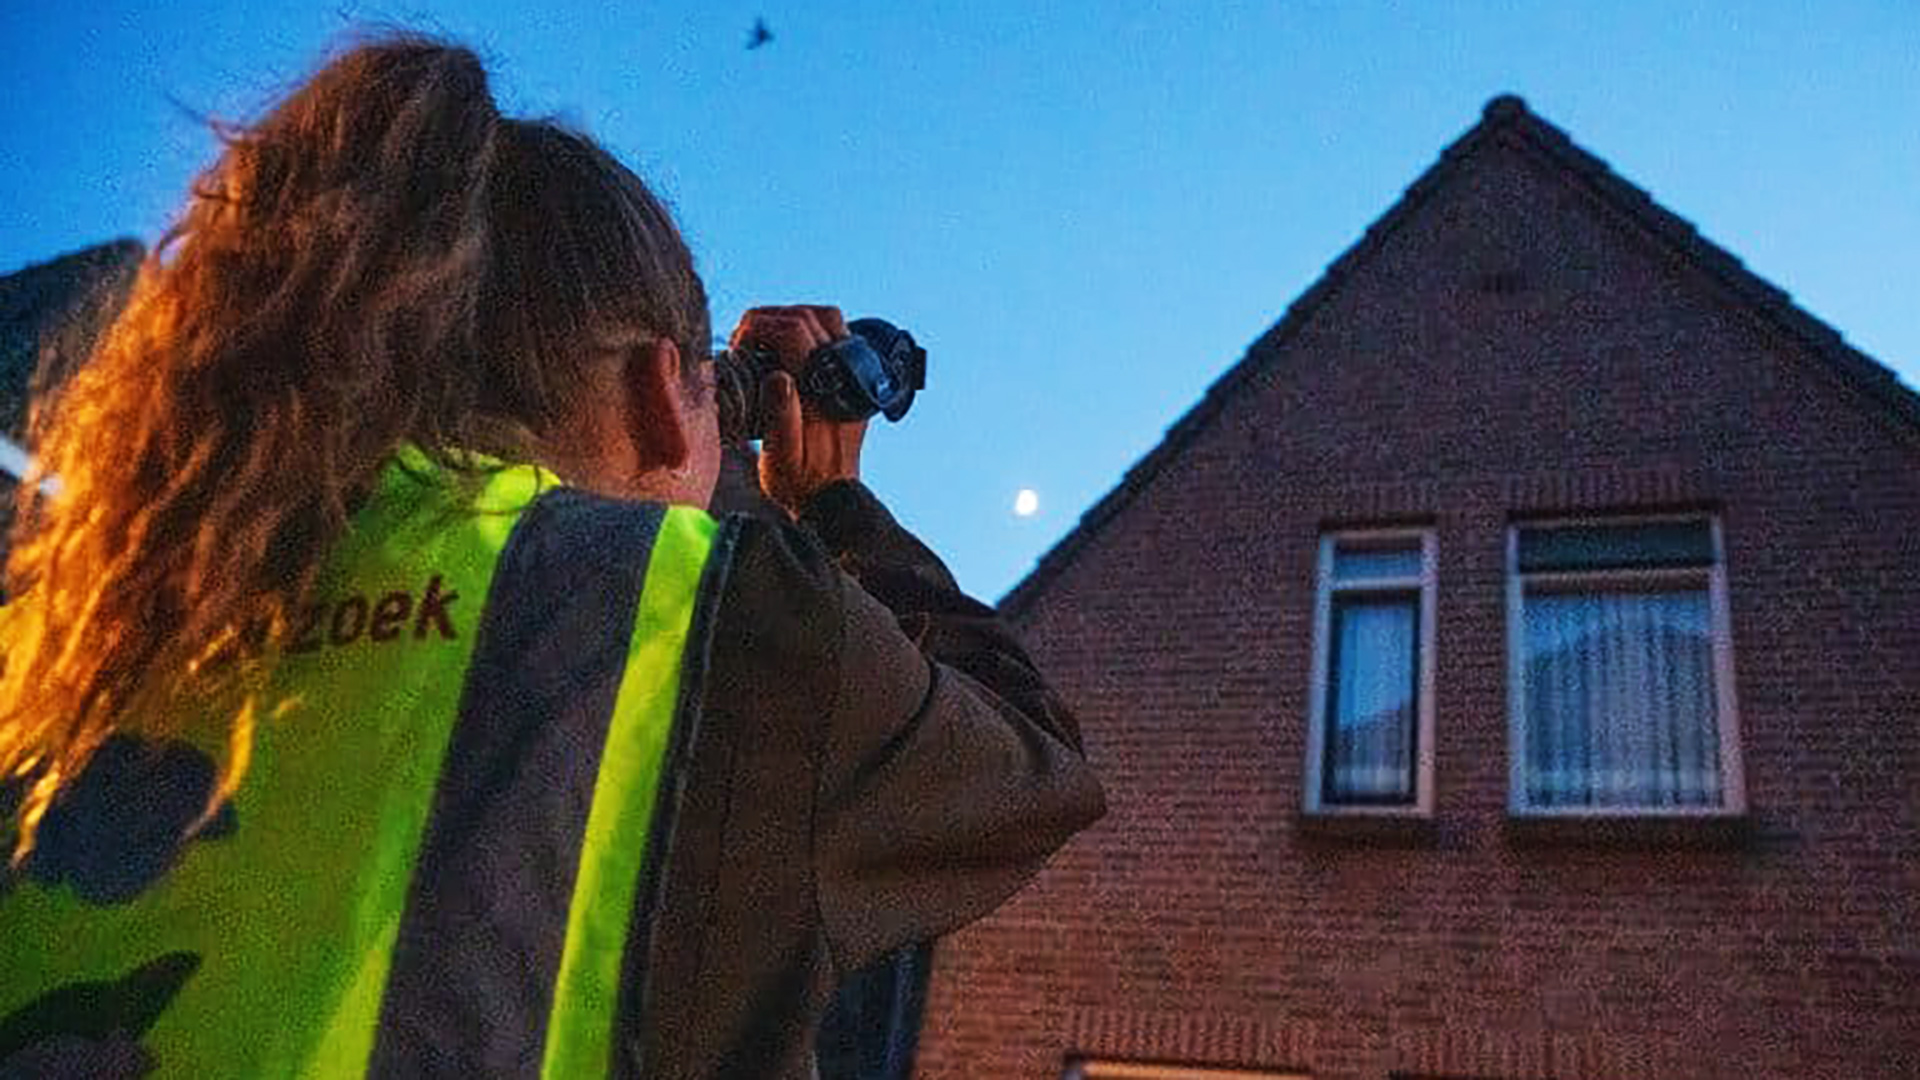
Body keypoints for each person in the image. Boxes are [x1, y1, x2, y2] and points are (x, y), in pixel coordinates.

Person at [0, 34, 1103, 1080]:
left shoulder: (99, 613)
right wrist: (835, 504)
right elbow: (1035, 767)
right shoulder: (696, 616)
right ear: (662, 400)